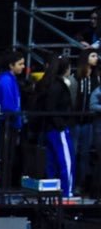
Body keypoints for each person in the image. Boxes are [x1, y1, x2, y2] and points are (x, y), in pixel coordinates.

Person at [34, 55, 76, 198]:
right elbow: (51, 108)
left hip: (49, 129)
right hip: (58, 129)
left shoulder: (47, 83)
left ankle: (54, 193)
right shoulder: (58, 86)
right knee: (66, 161)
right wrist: (61, 126)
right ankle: (67, 191)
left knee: (51, 162)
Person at [0, 51, 26, 190]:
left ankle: (6, 188)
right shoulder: (6, 80)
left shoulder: (11, 79)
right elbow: (8, 105)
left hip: (11, 122)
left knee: (9, 158)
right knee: (6, 158)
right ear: (11, 65)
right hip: (7, 123)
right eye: (20, 64)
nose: (23, 67)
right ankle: (4, 189)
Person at [73, 49, 100, 193]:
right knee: (74, 152)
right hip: (76, 121)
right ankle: (70, 183)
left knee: (85, 154)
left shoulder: (96, 78)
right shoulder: (76, 77)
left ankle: (81, 185)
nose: (96, 58)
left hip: (89, 122)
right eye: (93, 55)